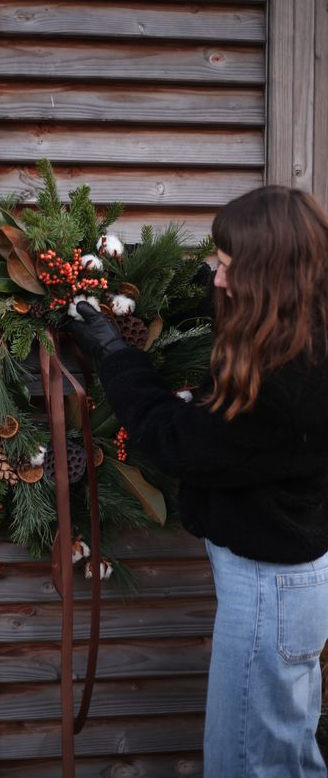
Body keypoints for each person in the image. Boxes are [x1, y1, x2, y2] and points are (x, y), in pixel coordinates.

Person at [68, 185, 328, 778]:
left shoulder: (283, 386)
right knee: (285, 753)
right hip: (287, 583)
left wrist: (115, 355)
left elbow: (173, 441)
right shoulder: (306, 331)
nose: (219, 279)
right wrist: (146, 269)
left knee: (250, 763)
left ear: (268, 280)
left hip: (267, 593)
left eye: (229, 267)